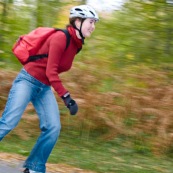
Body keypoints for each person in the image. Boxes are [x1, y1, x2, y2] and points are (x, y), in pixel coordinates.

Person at [0, 4, 99, 173]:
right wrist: (66, 97)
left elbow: (51, 74)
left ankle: (34, 168)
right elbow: (50, 71)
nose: (93, 26)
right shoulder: (61, 38)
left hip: (43, 87)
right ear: (77, 21)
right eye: (91, 22)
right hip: (27, 80)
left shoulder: (77, 45)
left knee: (53, 127)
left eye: (95, 23)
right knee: (9, 121)